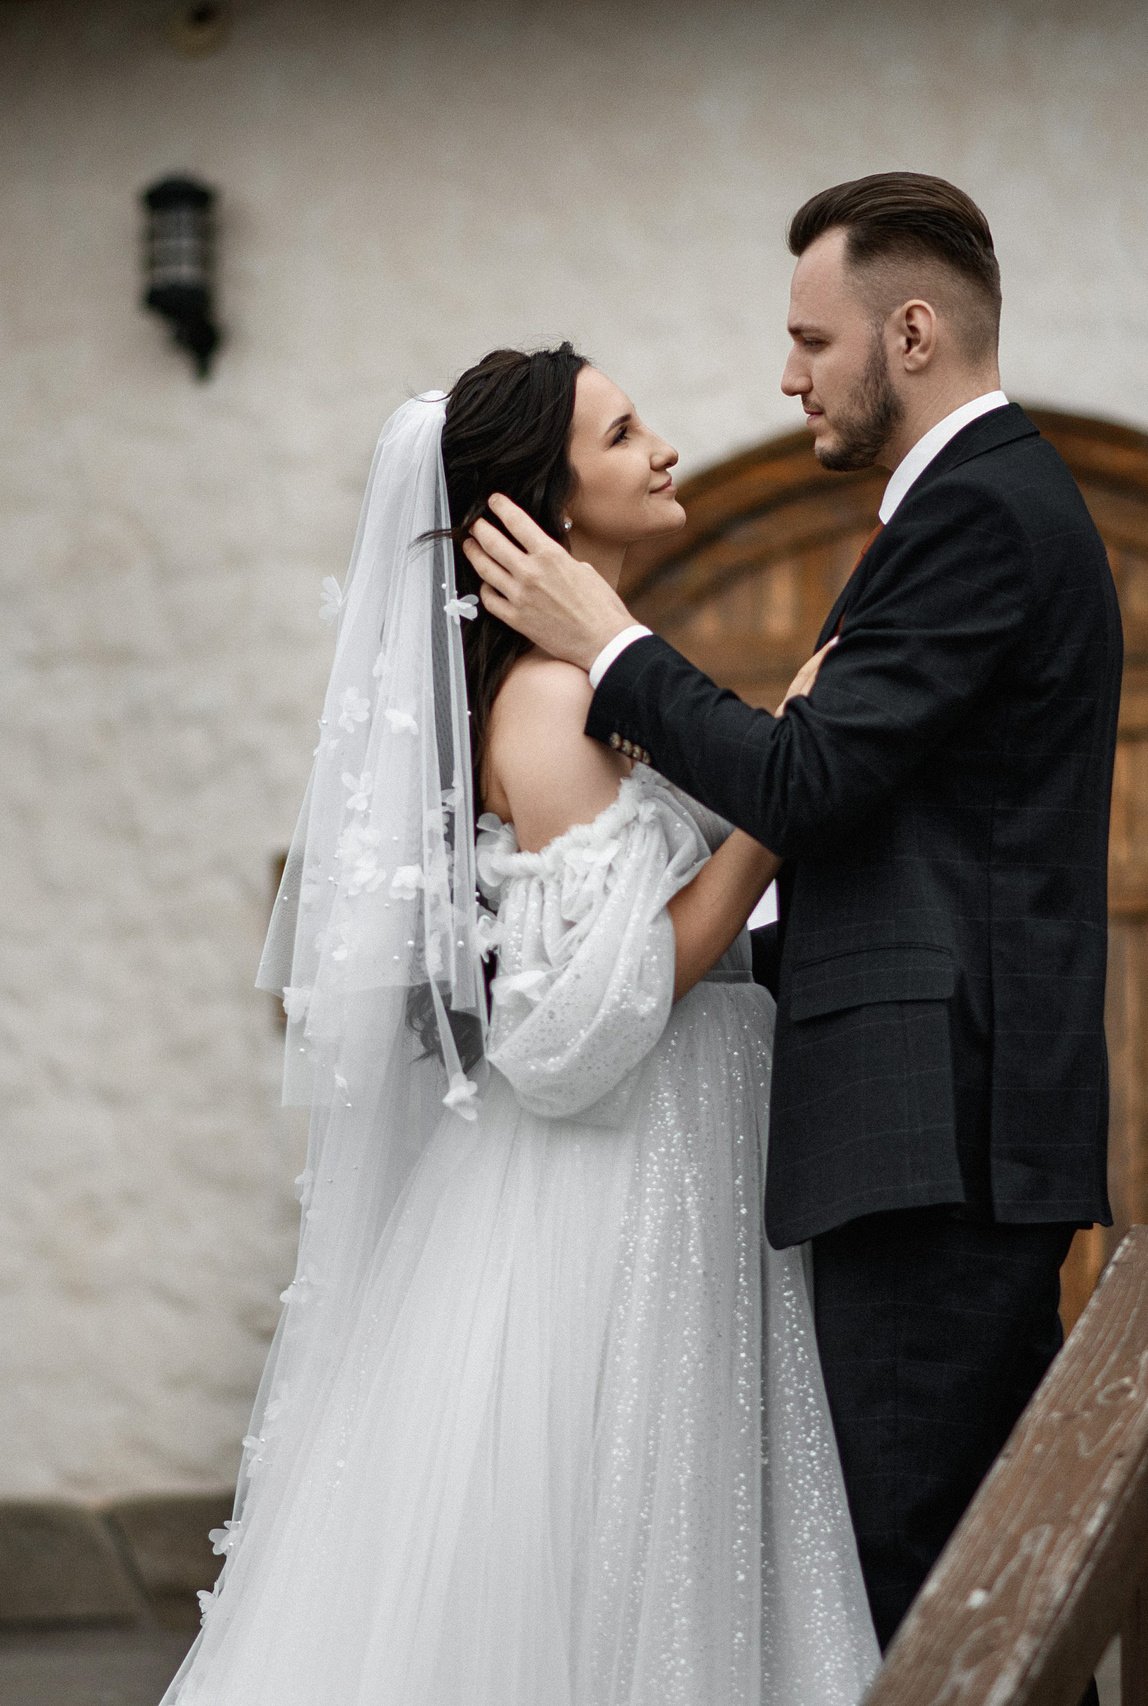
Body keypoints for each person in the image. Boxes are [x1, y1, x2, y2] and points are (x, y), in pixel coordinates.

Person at [162, 348, 879, 1706]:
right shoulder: (550, 699)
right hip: (622, 1182)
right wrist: (785, 788)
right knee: (625, 1545)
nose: (667, 446)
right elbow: (583, 1022)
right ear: (541, 505)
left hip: (673, 1162)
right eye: (625, 432)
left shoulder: (577, 685)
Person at [468, 173, 1125, 1651]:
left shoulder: (980, 514)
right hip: (934, 1136)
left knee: (933, 1588)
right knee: (972, 1584)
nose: (784, 376)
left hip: (932, 1147)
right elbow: (895, 842)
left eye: (809, 340)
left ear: (908, 332)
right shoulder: (971, 508)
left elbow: (815, 779)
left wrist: (615, 643)